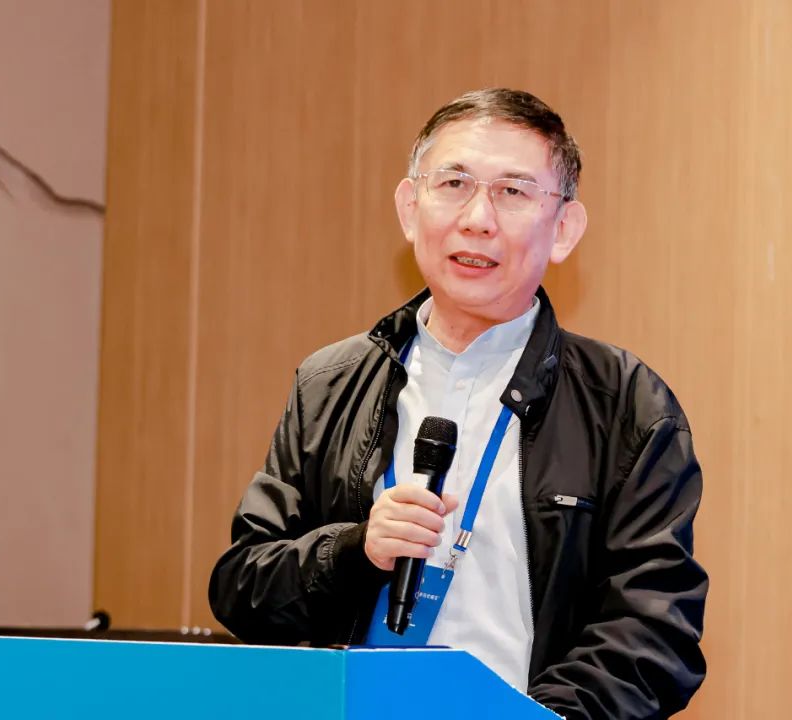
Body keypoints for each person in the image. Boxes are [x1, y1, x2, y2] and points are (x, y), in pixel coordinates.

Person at [209, 88, 707, 719]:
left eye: (513, 191)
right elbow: (243, 590)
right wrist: (355, 550)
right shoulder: (329, 382)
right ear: (409, 208)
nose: (477, 218)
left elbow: (654, 633)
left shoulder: (626, 405)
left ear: (563, 229)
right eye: (453, 183)